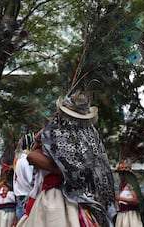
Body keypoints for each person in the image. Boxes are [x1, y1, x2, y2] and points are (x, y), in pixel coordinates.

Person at [16, 91, 116, 227]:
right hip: (56, 198)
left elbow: (33, 157)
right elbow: (32, 157)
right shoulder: (54, 136)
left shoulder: (83, 141)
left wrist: (66, 172)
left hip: (65, 200)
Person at [114, 161, 144, 227]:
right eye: (119, 174)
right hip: (122, 215)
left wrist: (119, 198)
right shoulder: (121, 186)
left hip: (131, 215)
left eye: (122, 174)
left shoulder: (130, 185)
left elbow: (136, 200)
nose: (120, 176)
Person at [13, 134, 34, 221]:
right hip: (27, 201)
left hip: (20, 201)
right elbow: (31, 180)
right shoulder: (27, 160)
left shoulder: (18, 160)